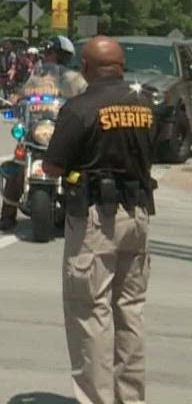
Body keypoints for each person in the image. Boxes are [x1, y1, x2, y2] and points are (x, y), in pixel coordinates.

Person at [42, 36, 156, 404]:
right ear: (121, 67)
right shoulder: (145, 105)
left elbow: (53, 164)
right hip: (137, 216)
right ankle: (130, 398)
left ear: (86, 69)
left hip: (96, 221)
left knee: (91, 316)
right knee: (130, 316)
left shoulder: (81, 107)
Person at [0, 36, 89, 231]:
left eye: (50, 53)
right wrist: (13, 100)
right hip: (37, 128)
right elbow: (22, 93)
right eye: (46, 53)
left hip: (61, 130)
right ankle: (7, 215)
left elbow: (86, 97)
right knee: (18, 163)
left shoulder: (75, 79)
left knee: (80, 166)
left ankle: (79, 209)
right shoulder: (37, 77)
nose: (46, 57)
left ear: (62, 56)